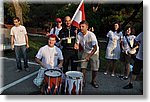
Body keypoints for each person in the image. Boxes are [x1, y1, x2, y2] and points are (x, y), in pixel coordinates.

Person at [74, 20, 100, 88]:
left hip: (94, 52)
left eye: (83, 26)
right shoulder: (79, 34)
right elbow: (77, 43)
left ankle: (93, 81)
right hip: (85, 51)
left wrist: (89, 56)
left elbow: (95, 48)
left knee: (95, 68)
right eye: (80, 26)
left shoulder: (91, 35)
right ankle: (83, 81)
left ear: (87, 27)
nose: (81, 28)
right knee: (83, 67)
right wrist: (76, 46)